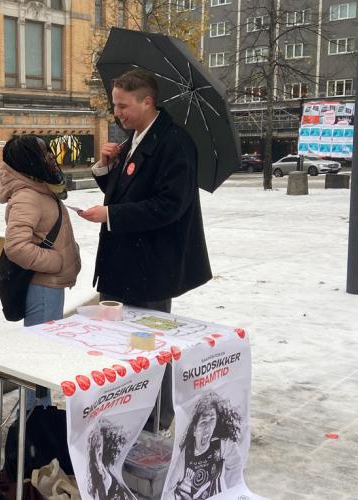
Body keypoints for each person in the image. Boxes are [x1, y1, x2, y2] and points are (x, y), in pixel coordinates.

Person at [78, 69, 212, 429]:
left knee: (149, 346)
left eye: (123, 105)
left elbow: (170, 205)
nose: (117, 113)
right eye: (115, 105)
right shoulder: (135, 139)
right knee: (121, 345)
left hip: (152, 267)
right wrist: (106, 169)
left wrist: (110, 214)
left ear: (147, 101)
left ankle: (156, 417)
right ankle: (127, 409)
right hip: (122, 265)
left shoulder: (174, 143)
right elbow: (127, 192)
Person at [0, 134, 81, 409]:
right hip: (43, 287)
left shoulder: (40, 189)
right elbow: (16, 247)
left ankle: (37, 411)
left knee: (43, 353)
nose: (50, 158)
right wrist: (56, 262)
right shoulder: (28, 196)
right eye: (44, 153)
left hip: (50, 286)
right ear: (30, 160)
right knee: (39, 356)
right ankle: (34, 417)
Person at [171, 393, 244, 500]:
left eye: (212, 420)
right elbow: (168, 489)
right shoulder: (183, 458)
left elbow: (235, 465)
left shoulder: (221, 445)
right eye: (203, 422)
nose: (208, 427)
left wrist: (233, 491)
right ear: (194, 430)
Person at [86, 419, 136, 500]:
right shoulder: (96, 475)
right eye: (97, 446)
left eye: (100, 446)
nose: (99, 450)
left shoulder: (112, 475)